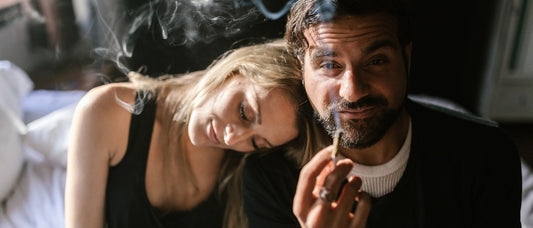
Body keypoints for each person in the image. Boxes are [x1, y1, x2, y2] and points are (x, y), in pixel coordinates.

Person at [242, 0, 523, 227]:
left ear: (406, 59)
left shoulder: (484, 153)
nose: (352, 92)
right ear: (300, 70)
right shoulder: (271, 175)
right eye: (329, 64)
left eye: (376, 61)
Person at [65, 40, 322, 228]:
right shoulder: (106, 113)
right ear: (235, 70)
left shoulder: (247, 177)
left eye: (256, 142)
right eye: (244, 112)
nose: (233, 139)